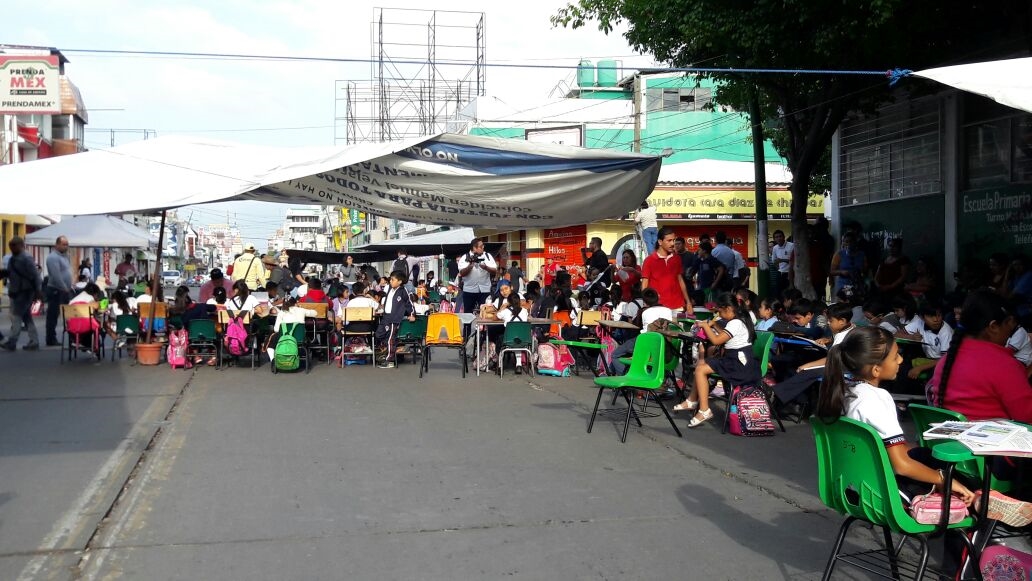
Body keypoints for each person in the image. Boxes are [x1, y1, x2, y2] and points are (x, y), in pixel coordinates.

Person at [815, 327, 976, 508]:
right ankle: (974, 520)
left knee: (923, 453)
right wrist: (944, 481)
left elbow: (886, 448)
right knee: (964, 483)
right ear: (876, 369)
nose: (901, 360)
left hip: (851, 487)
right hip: (884, 493)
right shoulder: (877, 398)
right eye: (895, 356)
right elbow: (901, 465)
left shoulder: (845, 393)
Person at [928, 291, 1032, 423]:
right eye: (1008, 327)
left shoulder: (945, 360)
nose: (1008, 336)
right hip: (993, 441)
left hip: (947, 441)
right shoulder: (1005, 365)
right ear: (993, 326)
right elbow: (1027, 416)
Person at [678, 292, 760, 427]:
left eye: (720, 312)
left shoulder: (735, 323)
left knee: (701, 369)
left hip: (739, 364)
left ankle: (703, 409)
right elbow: (723, 334)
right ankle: (693, 401)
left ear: (727, 308)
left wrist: (705, 326)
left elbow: (716, 340)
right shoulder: (739, 319)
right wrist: (714, 325)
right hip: (738, 360)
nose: (719, 315)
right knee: (701, 366)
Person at [773, 302, 856, 411]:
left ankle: (779, 395)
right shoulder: (849, 329)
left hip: (842, 367)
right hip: (838, 362)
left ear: (842, 321)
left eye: (831, 321)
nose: (828, 323)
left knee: (806, 371)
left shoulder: (843, 335)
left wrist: (808, 365)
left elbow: (830, 360)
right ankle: (792, 400)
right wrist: (829, 339)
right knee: (795, 362)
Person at [1, 236, 42, 351]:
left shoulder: (26, 258)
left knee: (16, 316)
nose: (12, 248)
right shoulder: (13, 258)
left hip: (25, 291)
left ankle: (12, 342)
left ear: (21, 245)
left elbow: (35, 275)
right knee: (26, 317)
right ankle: (34, 341)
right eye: (10, 246)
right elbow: (12, 273)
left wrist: (38, 291)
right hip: (17, 291)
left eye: (14, 245)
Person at [641, 227, 692, 314]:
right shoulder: (649, 260)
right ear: (660, 242)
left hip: (677, 306)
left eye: (674, 240)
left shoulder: (677, 258)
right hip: (658, 307)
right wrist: (645, 304)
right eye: (669, 240)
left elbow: (680, 280)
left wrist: (688, 302)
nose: (673, 243)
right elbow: (644, 284)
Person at [376, 270, 415, 369]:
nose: (390, 281)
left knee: (391, 339)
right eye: (390, 279)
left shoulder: (403, 291)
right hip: (386, 317)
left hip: (395, 318)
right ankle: (393, 349)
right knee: (379, 334)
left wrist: (412, 314)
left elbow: (409, 303)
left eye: (393, 280)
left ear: (400, 281)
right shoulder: (389, 289)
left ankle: (390, 360)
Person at [44, 236, 73, 347]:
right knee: (53, 315)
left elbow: (66, 272)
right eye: (63, 244)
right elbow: (56, 275)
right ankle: (50, 339)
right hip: (56, 289)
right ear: (57, 245)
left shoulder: (64, 257)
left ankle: (73, 337)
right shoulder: (53, 258)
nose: (66, 246)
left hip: (64, 290)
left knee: (68, 315)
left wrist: (70, 284)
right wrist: (64, 287)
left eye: (67, 244)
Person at [457, 238, 497, 314]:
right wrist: (470, 265)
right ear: (474, 248)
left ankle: (485, 326)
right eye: (481, 246)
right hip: (469, 290)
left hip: (485, 289)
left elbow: (495, 270)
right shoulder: (465, 257)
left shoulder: (487, 256)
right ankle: (467, 326)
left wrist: (486, 267)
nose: (483, 247)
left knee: (486, 311)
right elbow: (462, 273)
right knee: (468, 313)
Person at [830, 233, 868, 298]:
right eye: (846, 242)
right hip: (844, 284)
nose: (849, 244)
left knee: (859, 300)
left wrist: (860, 272)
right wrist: (841, 272)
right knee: (849, 298)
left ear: (855, 242)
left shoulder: (861, 255)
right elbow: (832, 271)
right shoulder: (839, 254)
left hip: (858, 283)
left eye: (851, 241)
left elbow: (865, 270)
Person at [771, 230, 794, 298]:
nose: (778, 238)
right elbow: (774, 261)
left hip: (791, 273)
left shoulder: (791, 245)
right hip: (780, 273)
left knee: (790, 294)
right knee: (779, 294)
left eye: (780, 236)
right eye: (776, 237)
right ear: (774, 239)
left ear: (784, 237)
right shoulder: (775, 248)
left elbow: (794, 260)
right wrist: (778, 268)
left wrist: (782, 260)